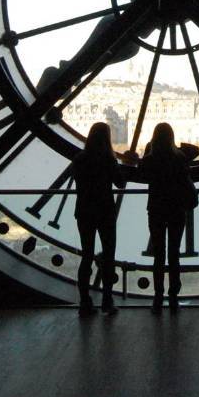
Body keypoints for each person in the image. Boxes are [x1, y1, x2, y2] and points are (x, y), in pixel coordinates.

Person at [134, 123, 198, 312]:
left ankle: (158, 296)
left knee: (159, 256)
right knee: (174, 254)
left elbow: (141, 173)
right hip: (176, 209)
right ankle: (173, 296)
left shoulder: (150, 160)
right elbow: (194, 151)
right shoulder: (179, 158)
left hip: (156, 209)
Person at [70, 122, 127, 315]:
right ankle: (107, 300)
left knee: (87, 256)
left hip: (84, 211)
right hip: (105, 211)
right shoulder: (108, 160)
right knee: (108, 256)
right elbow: (120, 183)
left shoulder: (80, 159)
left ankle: (85, 301)